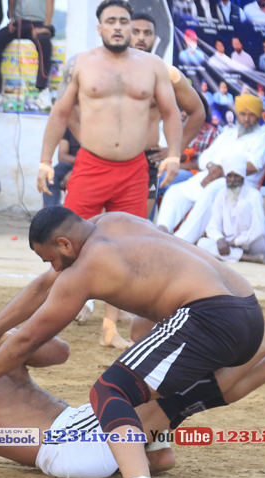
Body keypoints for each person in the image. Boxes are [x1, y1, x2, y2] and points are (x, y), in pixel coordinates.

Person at [0, 208, 265, 478]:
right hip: (243, 309)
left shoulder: (85, 267)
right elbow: (41, 288)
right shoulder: (113, 221)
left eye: (51, 259)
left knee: (111, 391)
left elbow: (35, 343)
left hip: (206, 319)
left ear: (65, 244)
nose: (53, 268)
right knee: (148, 344)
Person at [0, 282, 265, 478]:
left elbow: (59, 353)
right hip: (64, 448)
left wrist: (3, 334)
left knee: (153, 347)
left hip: (78, 424)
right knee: (174, 387)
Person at [37, 0, 182, 349]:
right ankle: (48, 321)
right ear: (100, 28)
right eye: (111, 21)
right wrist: (44, 161)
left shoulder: (153, 66)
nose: (118, 26)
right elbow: (60, 113)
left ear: (131, 27)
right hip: (91, 165)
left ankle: (109, 327)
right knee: (67, 243)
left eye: (123, 21)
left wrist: (175, 155)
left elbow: (172, 112)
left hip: (134, 169)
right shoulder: (81, 64)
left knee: (125, 249)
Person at [155, 93, 265, 245]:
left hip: (238, 185)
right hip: (209, 176)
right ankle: (161, 233)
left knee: (211, 193)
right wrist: (212, 167)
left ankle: (181, 242)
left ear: (258, 117)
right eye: (243, 114)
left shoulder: (262, 138)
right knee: (175, 192)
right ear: (237, 114)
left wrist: (220, 171)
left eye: (251, 115)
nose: (246, 119)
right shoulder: (228, 133)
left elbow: (253, 166)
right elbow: (205, 158)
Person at [130, 11, 206, 217]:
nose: (141, 38)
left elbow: (197, 112)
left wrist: (174, 152)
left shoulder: (167, 73)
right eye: (135, 32)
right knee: (100, 226)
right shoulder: (106, 70)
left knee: (140, 226)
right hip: (107, 159)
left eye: (147, 33)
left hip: (146, 160)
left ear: (155, 38)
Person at [197, 154, 265, 264]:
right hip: (230, 244)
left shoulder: (253, 195)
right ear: (225, 177)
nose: (233, 180)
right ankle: (249, 258)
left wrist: (233, 243)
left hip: (255, 244)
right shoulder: (221, 195)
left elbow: (258, 230)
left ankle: (237, 255)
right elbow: (213, 226)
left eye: (237, 176)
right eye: (229, 176)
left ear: (243, 177)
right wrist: (219, 239)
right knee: (202, 244)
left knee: (242, 205)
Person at [0, 0, 55, 111]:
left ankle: (43, 91)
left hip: (40, 23)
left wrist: (46, 26)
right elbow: (11, 3)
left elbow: (50, 4)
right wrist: (12, 19)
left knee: (44, 43)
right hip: (20, 22)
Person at [41, 127, 77, 208]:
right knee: (51, 176)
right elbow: (62, 156)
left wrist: (76, 171)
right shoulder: (68, 129)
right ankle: (51, 210)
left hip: (90, 165)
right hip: (70, 164)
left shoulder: (94, 128)